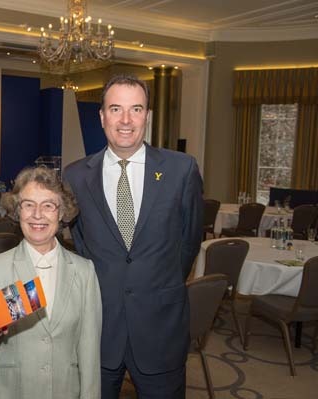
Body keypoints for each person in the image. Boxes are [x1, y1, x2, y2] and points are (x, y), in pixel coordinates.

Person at [63, 74, 203, 398]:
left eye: (136, 109)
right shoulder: (75, 175)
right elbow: (81, 244)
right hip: (98, 330)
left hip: (160, 328)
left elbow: (190, 241)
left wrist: (158, 282)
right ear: (102, 117)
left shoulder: (182, 170)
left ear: (147, 116)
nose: (125, 120)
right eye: (115, 109)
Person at [0, 166, 102, 399]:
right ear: (16, 211)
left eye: (48, 205)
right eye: (28, 204)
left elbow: (89, 349)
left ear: (62, 213)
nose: (37, 215)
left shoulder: (85, 272)